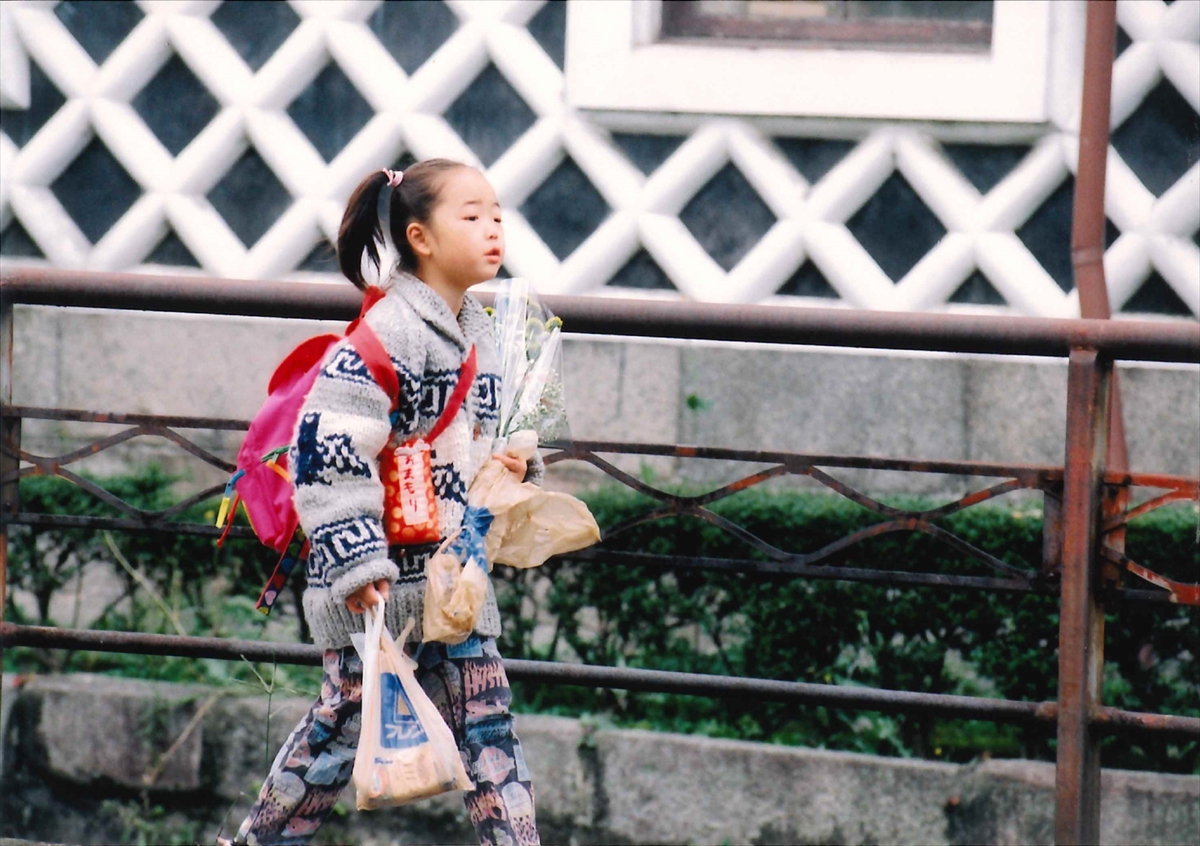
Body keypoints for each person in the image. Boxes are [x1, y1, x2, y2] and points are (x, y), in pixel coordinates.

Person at [224, 159, 542, 846]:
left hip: (453, 582)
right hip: (378, 586)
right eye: (472, 215)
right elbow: (327, 446)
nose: (493, 229)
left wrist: (517, 460)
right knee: (334, 741)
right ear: (421, 238)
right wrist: (358, 563)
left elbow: (475, 443)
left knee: (490, 737)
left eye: (496, 213)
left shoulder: (479, 329)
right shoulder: (391, 330)